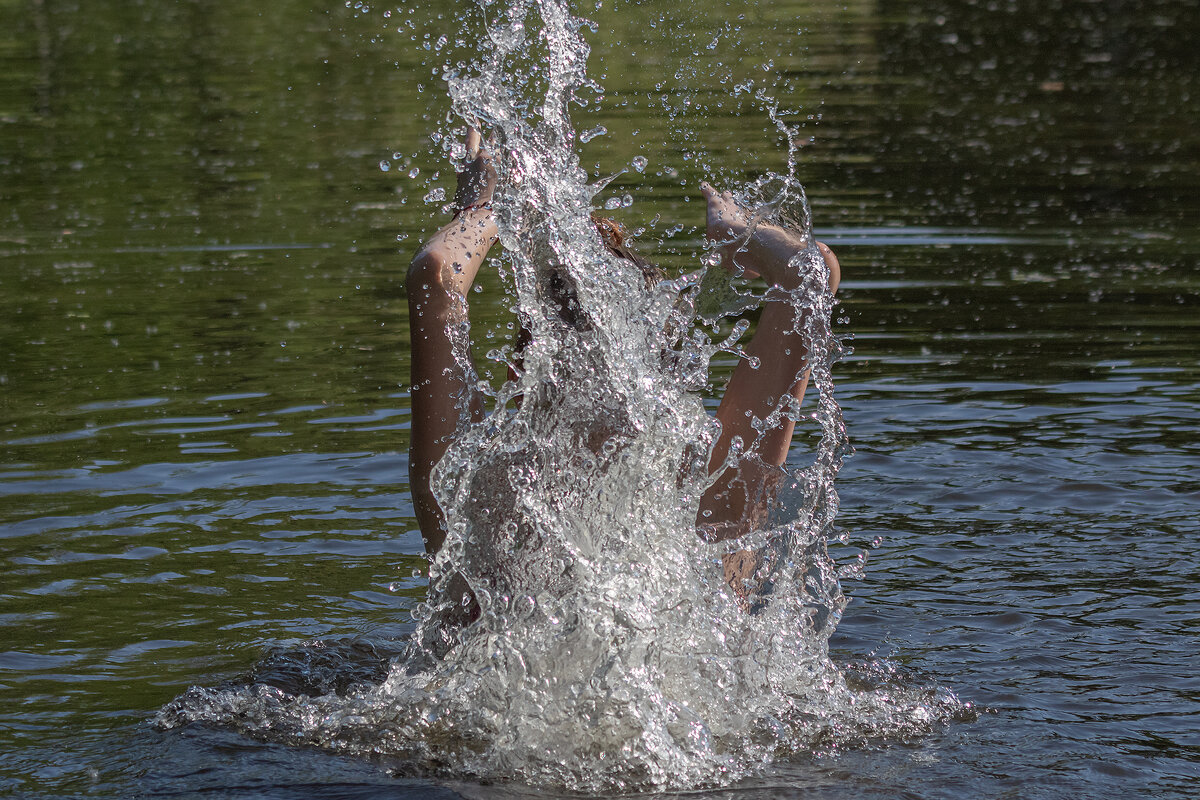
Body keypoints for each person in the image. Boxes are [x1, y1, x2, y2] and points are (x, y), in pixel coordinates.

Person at [405, 129, 840, 610]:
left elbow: (436, 275)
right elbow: (809, 276)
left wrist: (485, 209)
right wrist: (739, 235)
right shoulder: (706, 511)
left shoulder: (479, 502)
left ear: (520, 377)